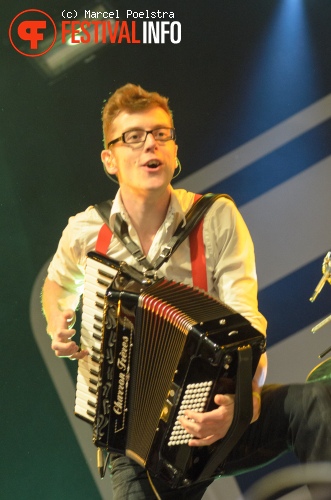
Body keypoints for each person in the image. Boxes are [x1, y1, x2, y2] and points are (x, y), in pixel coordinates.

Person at [42, 84, 331, 499]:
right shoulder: (86, 231)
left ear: (174, 151)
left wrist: (241, 405)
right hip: (136, 445)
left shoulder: (215, 218)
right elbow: (56, 284)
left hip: (217, 411)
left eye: (161, 134)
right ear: (110, 159)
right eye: (134, 137)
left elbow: (247, 325)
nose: (150, 146)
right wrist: (57, 322)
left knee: (317, 404)